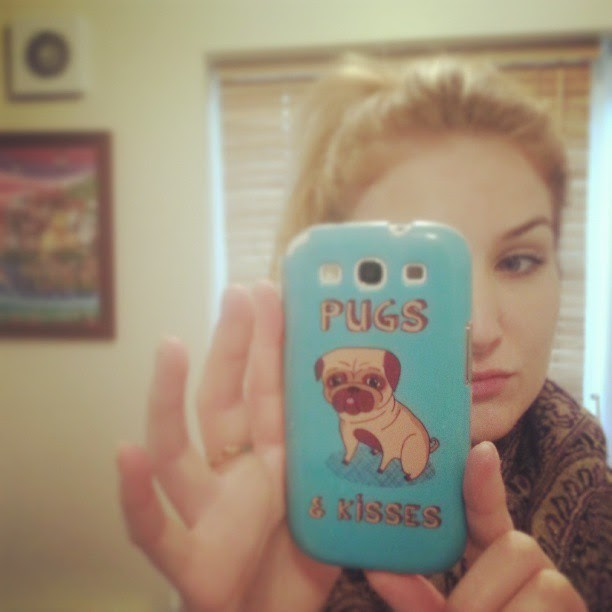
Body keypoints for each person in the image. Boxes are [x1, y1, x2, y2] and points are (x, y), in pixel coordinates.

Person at [117, 55, 611, 611]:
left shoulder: (586, 469)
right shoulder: (274, 497)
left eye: (519, 261)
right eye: (426, 276)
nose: (480, 330)